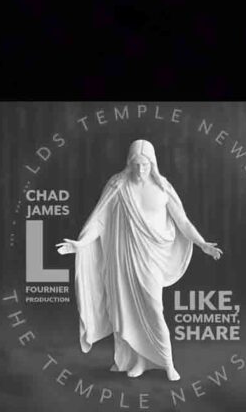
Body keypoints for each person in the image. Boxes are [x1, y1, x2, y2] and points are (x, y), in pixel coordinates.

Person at [57, 139, 223, 385]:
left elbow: (183, 221)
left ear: (152, 164)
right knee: (127, 310)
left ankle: (167, 363)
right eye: (136, 164)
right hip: (124, 259)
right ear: (129, 162)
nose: (140, 170)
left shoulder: (163, 187)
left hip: (151, 259)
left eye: (145, 165)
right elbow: (100, 221)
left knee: (154, 309)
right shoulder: (118, 185)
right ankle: (139, 361)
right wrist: (80, 244)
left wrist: (202, 243)